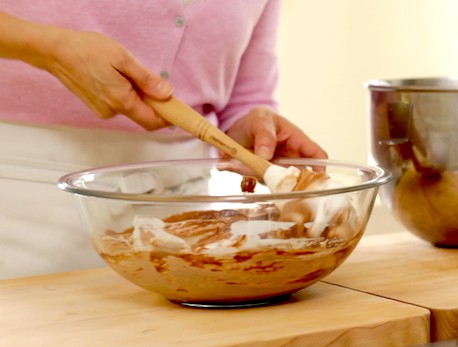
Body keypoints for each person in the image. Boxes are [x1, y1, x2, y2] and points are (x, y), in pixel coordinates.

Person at [0, 1, 327, 279]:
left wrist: (247, 130)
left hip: (185, 217)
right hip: (26, 199)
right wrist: (48, 48)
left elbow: (243, 93)